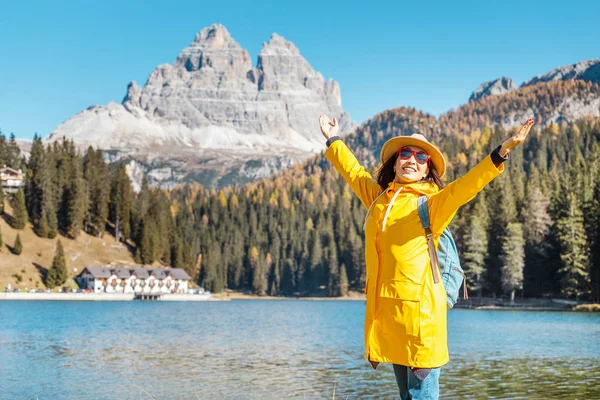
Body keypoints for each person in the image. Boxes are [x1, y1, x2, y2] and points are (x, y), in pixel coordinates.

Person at [319, 114, 534, 399]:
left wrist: (501, 152)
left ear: (426, 170)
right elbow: (354, 172)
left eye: (421, 157)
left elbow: (466, 186)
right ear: (394, 163)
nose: (412, 160)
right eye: (405, 153)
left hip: (421, 321)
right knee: (406, 396)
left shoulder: (432, 205)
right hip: (391, 318)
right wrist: (333, 139)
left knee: (422, 396)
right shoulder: (378, 200)